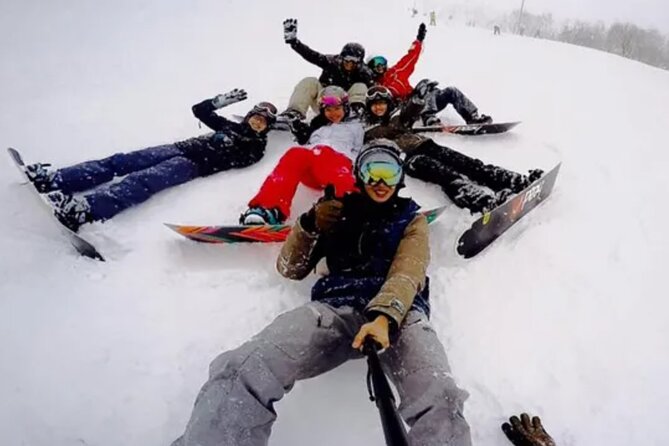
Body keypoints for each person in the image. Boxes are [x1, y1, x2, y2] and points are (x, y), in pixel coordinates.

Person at [172, 140, 473, 446]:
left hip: (400, 315)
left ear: (400, 178)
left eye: (389, 172)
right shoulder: (337, 213)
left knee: (440, 395)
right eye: (372, 171)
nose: (380, 183)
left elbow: (409, 271)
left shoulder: (412, 220)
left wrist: (383, 317)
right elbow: (290, 268)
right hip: (334, 310)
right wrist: (308, 225)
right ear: (359, 174)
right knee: (243, 367)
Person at [25, 89, 276, 231]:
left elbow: (245, 160)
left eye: (263, 122)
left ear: (265, 128)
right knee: (121, 161)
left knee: (143, 181)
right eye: (256, 116)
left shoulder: (256, 146)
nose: (257, 122)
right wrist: (219, 101)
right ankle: (56, 179)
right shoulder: (228, 124)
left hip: (192, 165)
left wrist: (230, 147)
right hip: (178, 148)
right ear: (249, 116)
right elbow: (199, 111)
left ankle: (85, 209)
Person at [362, 83, 542, 213]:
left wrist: (417, 98)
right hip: (409, 159)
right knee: (446, 175)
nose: (379, 107)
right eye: (375, 105)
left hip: (425, 145)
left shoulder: (397, 117)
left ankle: (514, 181)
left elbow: (411, 111)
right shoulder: (370, 131)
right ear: (369, 107)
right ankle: (482, 202)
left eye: (382, 103)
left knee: (469, 165)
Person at [240, 85, 363, 225]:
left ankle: (351, 209)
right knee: (295, 153)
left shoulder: (356, 126)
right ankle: (269, 209)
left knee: (325, 153)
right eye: (328, 110)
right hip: (313, 168)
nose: (333, 113)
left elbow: (360, 152)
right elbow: (306, 142)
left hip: (338, 168)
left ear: (345, 107)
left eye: (337, 109)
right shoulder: (318, 126)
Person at [365, 24, 492, 126]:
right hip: (405, 111)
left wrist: (419, 40)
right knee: (421, 90)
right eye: (376, 64)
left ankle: (472, 118)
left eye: (382, 62)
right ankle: (429, 118)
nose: (380, 67)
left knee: (447, 90)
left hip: (420, 100)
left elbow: (411, 57)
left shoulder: (396, 72)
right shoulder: (375, 87)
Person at [278, 18, 374, 122]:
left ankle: (355, 113)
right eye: (346, 60)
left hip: (345, 107)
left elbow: (374, 90)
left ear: (360, 62)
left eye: (354, 62)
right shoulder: (331, 62)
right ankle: (294, 113)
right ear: (341, 58)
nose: (349, 64)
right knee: (310, 81)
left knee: (360, 86)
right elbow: (310, 55)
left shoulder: (364, 72)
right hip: (324, 103)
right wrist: (294, 42)